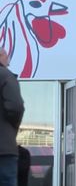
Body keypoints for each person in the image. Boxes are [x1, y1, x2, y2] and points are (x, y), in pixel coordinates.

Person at [0, 47, 25, 186]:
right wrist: (12, 128)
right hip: (3, 151)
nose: (8, 63)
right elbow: (16, 107)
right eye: (7, 58)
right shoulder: (6, 76)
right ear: (1, 55)